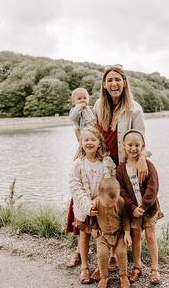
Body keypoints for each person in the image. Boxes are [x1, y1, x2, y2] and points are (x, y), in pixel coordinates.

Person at [93, 64, 149, 271]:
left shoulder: (134, 108)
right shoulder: (99, 105)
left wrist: (142, 156)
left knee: (130, 208)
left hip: (126, 167)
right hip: (105, 165)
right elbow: (92, 133)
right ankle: (109, 255)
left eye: (117, 79)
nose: (114, 83)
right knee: (107, 209)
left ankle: (136, 259)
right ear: (105, 85)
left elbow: (141, 138)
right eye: (110, 80)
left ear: (124, 82)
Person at [116, 129, 163, 284]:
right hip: (133, 211)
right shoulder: (121, 170)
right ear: (124, 145)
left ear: (143, 146)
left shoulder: (148, 165)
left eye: (137, 145)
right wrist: (132, 208)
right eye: (130, 144)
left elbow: (153, 187)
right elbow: (122, 191)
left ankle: (155, 268)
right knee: (136, 237)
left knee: (150, 236)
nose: (133, 148)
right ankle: (137, 266)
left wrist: (143, 206)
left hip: (149, 210)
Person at [70, 126, 116, 284]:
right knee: (84, 236)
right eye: (86, 139)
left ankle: (100, 267)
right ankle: (84, 267)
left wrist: (104, 203)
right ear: (81, 142)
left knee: (101, 238)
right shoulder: (78, 164)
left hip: (102, 208)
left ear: (99, 142)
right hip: (84, 207)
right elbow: (76, 187)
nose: (89, 142)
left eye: (93, 139)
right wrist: (87, 206)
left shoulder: (107, 162)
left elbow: (112, 183)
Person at [66, 87, 97, 268]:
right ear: (73, 101)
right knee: (79, 202)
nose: (83, 100)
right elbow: (75, 125)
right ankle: (80, 250)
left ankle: (106, 250)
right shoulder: (76, 113)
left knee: (98, 199)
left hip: (95, 148)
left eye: (85, 97)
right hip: (83, 151)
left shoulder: (93, 110)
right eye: (78, 98)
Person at [91, 177, 131, 288]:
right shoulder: (95, 203)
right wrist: (94, 227)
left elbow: (125, 218)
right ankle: (104, 277)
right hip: (102, 234)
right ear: (99, 195)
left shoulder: (120, 202)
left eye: (113, 203)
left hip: (119, 234)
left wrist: (127, 233)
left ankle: (123, 276)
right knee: (102, 254)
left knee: (121, 253)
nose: (111, 205)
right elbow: (91, 217)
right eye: (107, 204)